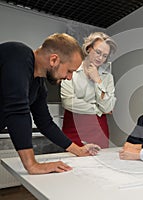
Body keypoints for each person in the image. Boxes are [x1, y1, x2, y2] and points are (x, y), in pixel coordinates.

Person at [0, 33, 101, 175]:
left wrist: (78, 150)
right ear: (54, 60)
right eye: (69, 71)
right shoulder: (18, 54)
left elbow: (45, 123)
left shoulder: (39, 85)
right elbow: (17, 110)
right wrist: (32, 165)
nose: (69, 77)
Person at [61, 32, 117, 148]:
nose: (100, 58)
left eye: (105, 55)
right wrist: (97, 109)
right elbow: (68, 102)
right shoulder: (72, 69)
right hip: (73, 126)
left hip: (98, 129)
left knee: (98, 164)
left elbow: (107, 107)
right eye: (98, 52)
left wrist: (98, 80)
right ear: (88, 48)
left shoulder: (107, 77)